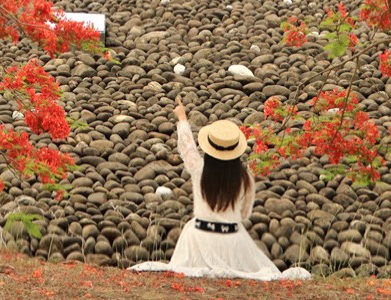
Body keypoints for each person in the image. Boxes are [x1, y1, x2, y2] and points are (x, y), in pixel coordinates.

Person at [129, 96, 311, 280]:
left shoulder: (199, 170)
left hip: (198, 237)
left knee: (186, 250)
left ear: (209, 149)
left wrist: (182, 119)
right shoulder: (244, 179)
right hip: (233, 239)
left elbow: (188, 149)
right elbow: (244, 214)